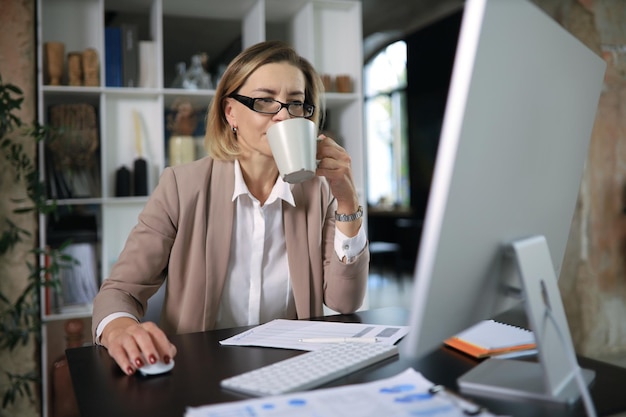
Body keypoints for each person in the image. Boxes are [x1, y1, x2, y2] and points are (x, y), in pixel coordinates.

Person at [91, 40, 370, 376]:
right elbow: (120, 290)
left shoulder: (318, 192)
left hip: (291, 371)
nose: (283, 115)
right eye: (265, 100)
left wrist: (347, 199)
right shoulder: (182, 186)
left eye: (296, 103)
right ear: (230, 112)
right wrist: (120, 328)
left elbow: (344, 301)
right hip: (198, 372)